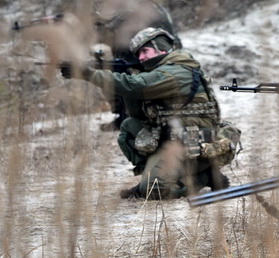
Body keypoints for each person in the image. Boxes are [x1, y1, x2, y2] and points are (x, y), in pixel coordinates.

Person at [61, 27, 238, 199]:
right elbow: (138, 115)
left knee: (156, 190)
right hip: (172, 136)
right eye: (138, 55)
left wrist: (88, 74)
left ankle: (206, 176)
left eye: (145, 51)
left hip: (191, 142)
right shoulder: (161, 72)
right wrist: (123, 79)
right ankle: (155, 174)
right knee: (129, 127)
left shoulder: (175, 71)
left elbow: (136, 85)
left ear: (161, 48)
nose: (142, 58)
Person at [93, 0, 183, 131]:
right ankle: (126, 115)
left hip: (151, 56)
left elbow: (113, 29)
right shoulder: (151, 6)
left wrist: (97, 22)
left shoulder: (137, 8)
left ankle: (130, 116)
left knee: (116, 75)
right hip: (161, 53)